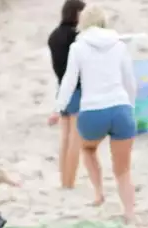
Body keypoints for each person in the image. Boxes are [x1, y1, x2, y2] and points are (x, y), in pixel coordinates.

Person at [49, 4, 136, 223]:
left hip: (92, 111)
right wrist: (130, 106)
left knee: (88, 149)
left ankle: (98, 193)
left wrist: (59, 109)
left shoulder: (78, 47)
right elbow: (130, 81)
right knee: (123, 169)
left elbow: (69, 82)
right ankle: (129, 212)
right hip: (121, 108)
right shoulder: (119, 45)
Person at [48, 0, 87, 190]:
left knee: (65, 138)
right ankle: (70, 181)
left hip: (61, 87)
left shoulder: (54, 36)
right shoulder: (76, 38)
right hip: (77, 88)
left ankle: (64, 178)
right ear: (76, 14)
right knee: (75, 138)